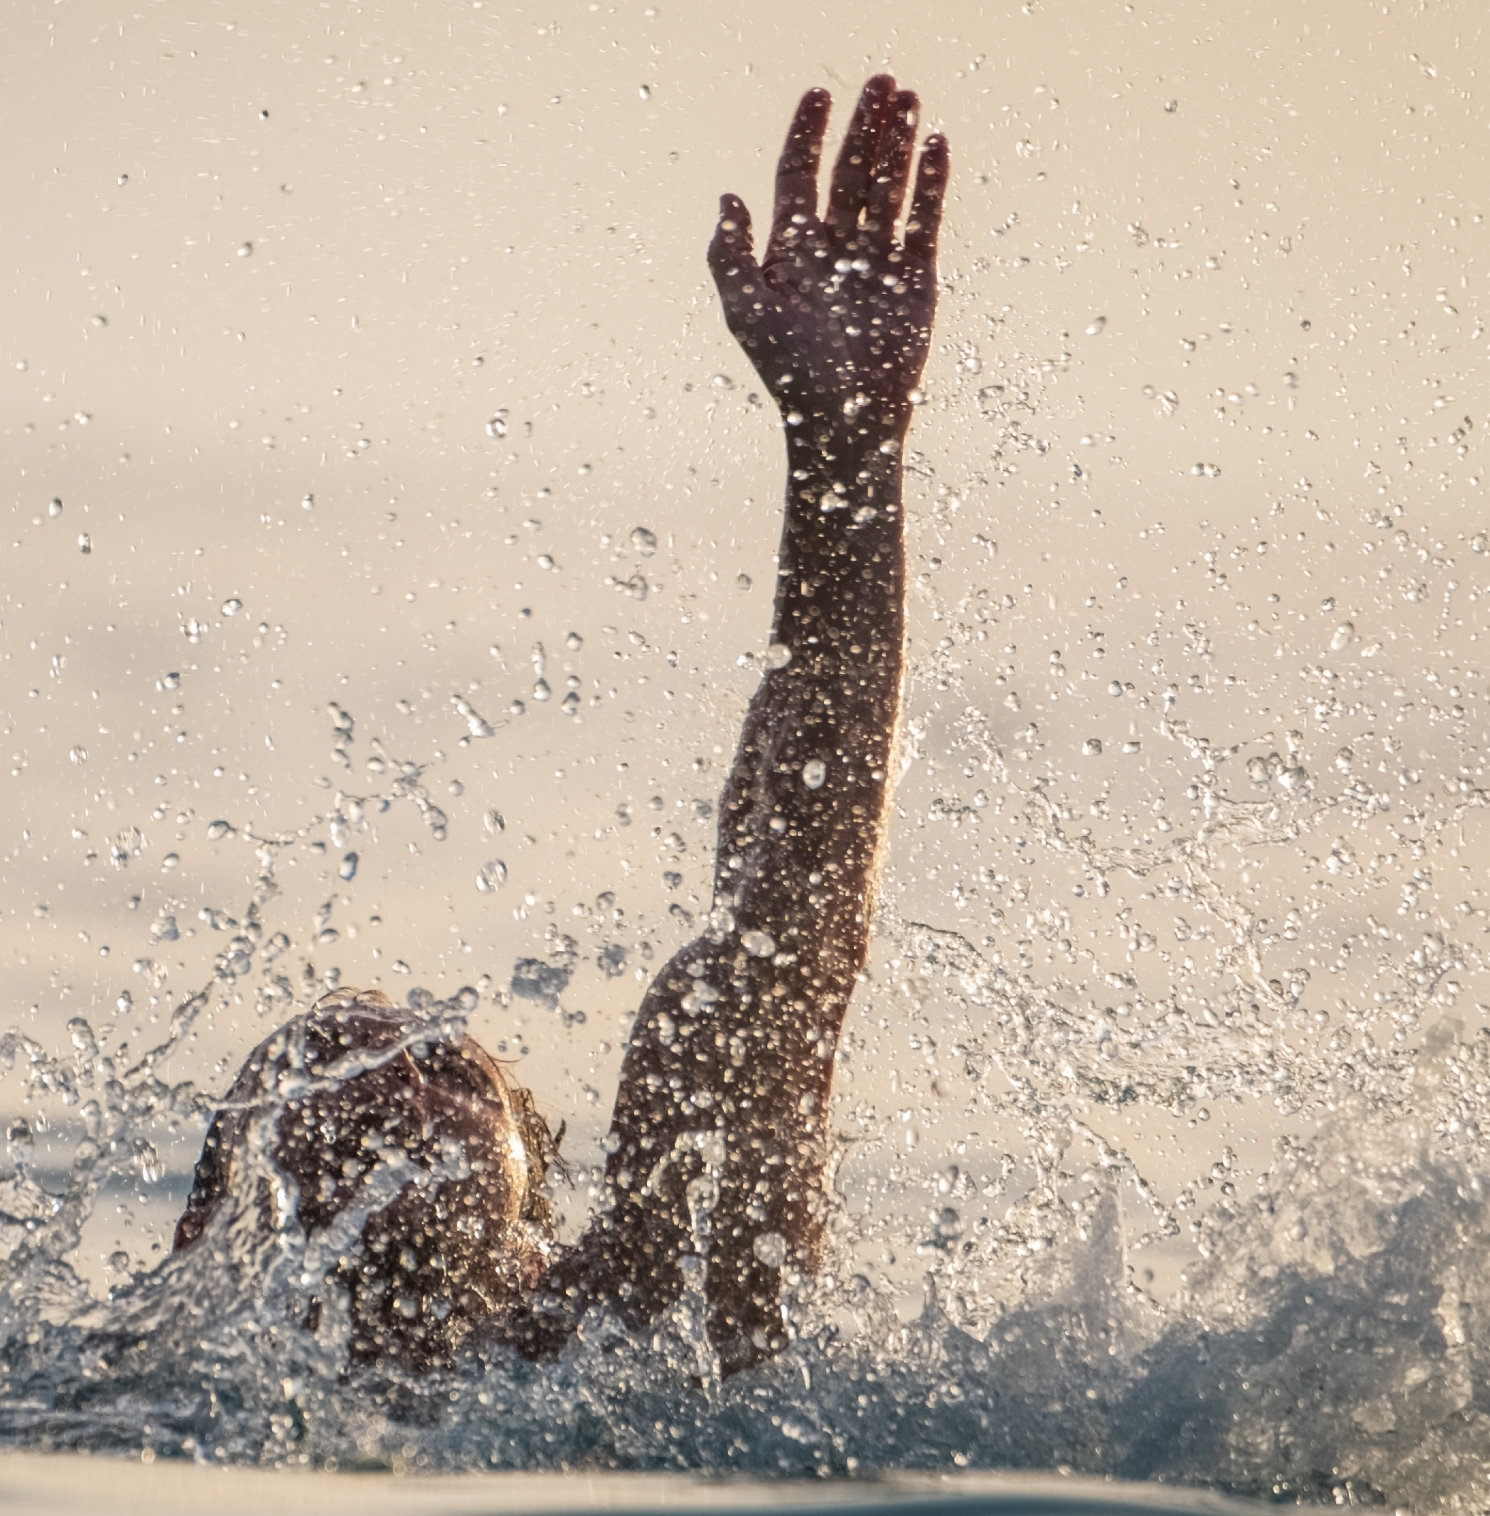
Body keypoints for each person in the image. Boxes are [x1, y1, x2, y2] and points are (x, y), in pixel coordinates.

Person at [171, 75, 949, 1378]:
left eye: (450, 1068)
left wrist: (846, 450)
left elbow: (794, 937)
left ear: (535, 1214)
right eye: (329, 1066)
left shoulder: (612, 1328)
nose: (405, 1074)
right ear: (206, 1232)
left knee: (707, 1017)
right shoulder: (126, 1388)